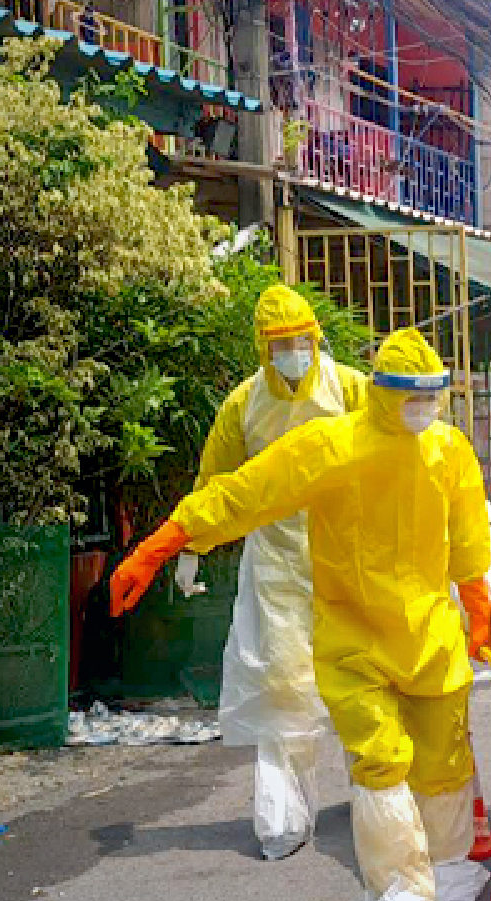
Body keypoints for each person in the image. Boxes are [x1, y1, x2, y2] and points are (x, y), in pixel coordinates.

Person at [110, 328, 491, 901]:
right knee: (380, 762)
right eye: (411, 396)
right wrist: (161, 546)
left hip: (431, 637)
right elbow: (245, 492)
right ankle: (397, 889)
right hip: (357, 641)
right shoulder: (331, 447)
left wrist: (478, 609)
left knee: (444, 758)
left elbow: (470, 537)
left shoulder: (448, 450)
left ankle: (447, 868)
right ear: (381, 393)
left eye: (433, 395)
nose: (423, 408)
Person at [180, 285, 367, 861]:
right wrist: (195, 545)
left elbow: (394, 463)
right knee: (282, 686)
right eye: (281, 343)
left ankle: (379, 798)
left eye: (302, 340)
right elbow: (217, 483)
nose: (294, 351)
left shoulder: (353, 389)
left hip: (349, 556)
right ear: (263, 347)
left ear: (317, 337)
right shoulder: (244, 405)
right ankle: (284, 814)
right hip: (279, 562)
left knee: (365, 680)